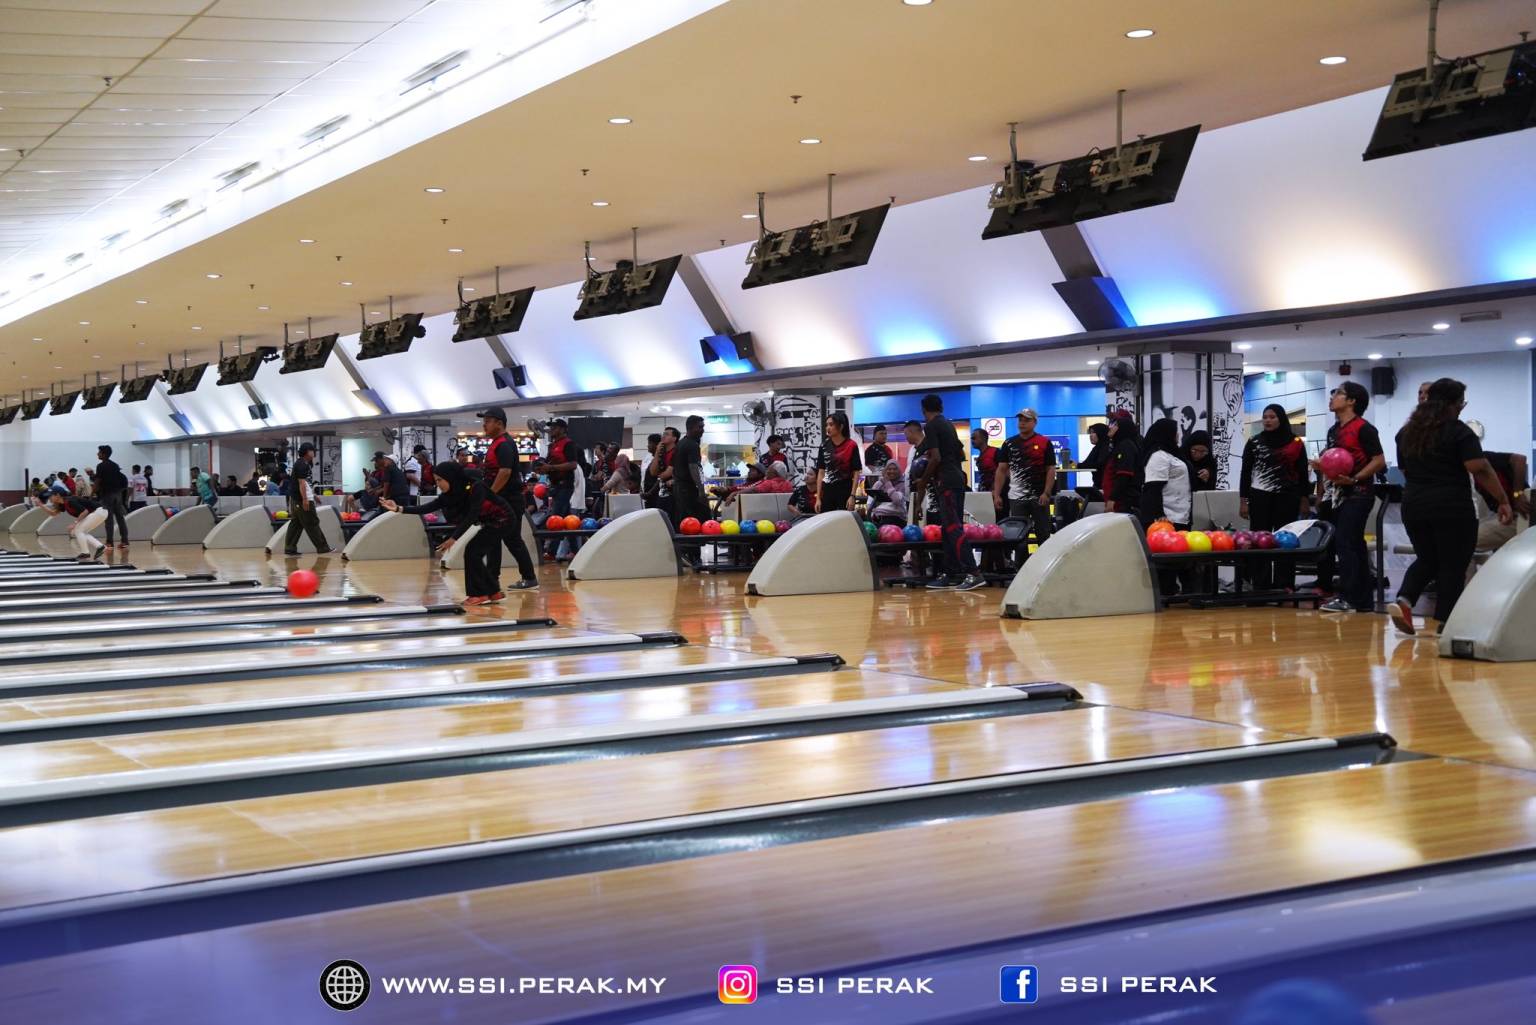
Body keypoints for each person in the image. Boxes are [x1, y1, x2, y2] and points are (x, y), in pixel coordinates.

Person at [1390, 378, 1512, 635]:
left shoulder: (1406, 433)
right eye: (1461, 403)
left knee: (1428, 559)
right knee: (1453, 565)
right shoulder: (1458, 431)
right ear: (1454, 404)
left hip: (1413, 505)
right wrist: (1503, 500)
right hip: (1451, 506)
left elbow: (1405, 470)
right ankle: (1446, 624)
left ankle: (1404, 600)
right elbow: (1479, 468)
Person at [383, 461, 518, 606]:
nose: (438, 484)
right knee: (473, 553)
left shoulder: (476, 487)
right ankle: (493, 592)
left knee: (473, 552)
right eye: (436, 481)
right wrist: (399, 508)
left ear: (450, 477)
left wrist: (454, 538)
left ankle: (479, 594)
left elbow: (472, 515)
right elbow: (426, 508)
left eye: (440, 480)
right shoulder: (451, 494)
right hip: (491, 522)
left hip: (504, 519)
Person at [1314, 381, 1386, 614]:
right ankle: (1362, 601)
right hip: (1337, 495)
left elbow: (1379, 461)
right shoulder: (1333, 431)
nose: (1332, 396)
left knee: (1346, 543)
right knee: (1352, 545)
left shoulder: (1364, 428)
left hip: (1359, 494)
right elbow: (1334, 461)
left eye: (1338, 393)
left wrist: (1355, 479)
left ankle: (1349, 598)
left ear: (1352, 401)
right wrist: (1322, 467)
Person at [915, 394, 984, 591]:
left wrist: (924, 479)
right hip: (956, 479)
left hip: (946, 481)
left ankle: (974, 573)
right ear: (942, 407)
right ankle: (951, 573)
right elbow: (960, 454)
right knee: (948, 528)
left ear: (923, 410)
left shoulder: (931, 426)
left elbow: (936, 458)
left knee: (953, 528)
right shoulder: (948, 425)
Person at [1239, 404, 1309, 591]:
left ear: (1281, 419)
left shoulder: (1296, 443)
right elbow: (1245, 473)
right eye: (1265, 417)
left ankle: (1284, 584)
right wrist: (1243, 501)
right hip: (1259, 497)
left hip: (1288, 498)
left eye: (1272, 417)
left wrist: (1304, 499)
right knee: (1260, 540)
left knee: (1285, 540)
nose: (1268, 420)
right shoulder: (1254, 442)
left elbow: (1303, 473)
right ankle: (1260, 584)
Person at [475, 406, 537, 590]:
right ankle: (492, 579)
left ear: (499, 423)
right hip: (501, 501)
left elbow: (505, 472)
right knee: (494, 540)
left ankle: (529, 578)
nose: (484, 425)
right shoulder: (497, 443)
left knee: (512, 540)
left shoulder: (504, 444)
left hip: (508, 500)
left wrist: (490, 495)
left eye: (487, 421)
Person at [994, 408, 1056, 544]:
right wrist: (997, 494)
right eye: (1020, 420)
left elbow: (1051, 469)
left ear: (1035, 422)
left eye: (1027, 420)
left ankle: (1044, 558)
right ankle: (1020, 559)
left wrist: (1046, 493)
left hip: (1039, 496)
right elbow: (1001, 469)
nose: (1022, 423)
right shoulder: (1009, 443)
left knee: (1043, 534)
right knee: (1018, 536)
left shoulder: (1044, 442)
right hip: (1016, 497)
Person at [282, 441, 334, 556]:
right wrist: (305, 499)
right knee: (312, 523)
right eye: (312, 450)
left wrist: (313, 495)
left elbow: (306, 483)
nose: (314, 452)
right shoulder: (302, 464)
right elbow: (301, 483)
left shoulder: (302, 463)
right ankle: (322, 547)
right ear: (307, 452)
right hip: (301, 499)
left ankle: (290, 548)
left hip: (297, 499)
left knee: (296, 524)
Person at [1476, 449, 1529, 551]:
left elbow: (1520, 459)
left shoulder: (1483, 459)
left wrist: (1517, 494)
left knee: (1468, 540)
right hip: (1505, 516)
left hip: (1521, 516)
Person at [812, 411, 862, 514]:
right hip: (828, 490)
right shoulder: (824, 446)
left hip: (845, 489)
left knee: (844, 520)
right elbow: (821, 472)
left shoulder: (852, 445)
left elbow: (856, 472)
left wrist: (852, 496)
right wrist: (818, 498)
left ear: (841, 426)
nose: (828, 428)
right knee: (827, 520)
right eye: (826, 425)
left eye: (831, 425)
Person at [43, 490, 107, 562]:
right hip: (100, 513)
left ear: (57, 495)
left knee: (78, 530)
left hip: (99, 511)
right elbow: (53, 513)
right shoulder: (63, 504)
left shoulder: (70, 500)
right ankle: (100, 547)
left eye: (51, 496)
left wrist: (75, 523)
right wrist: (40, 505)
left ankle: (86, 553)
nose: (49, 499)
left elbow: (85, 511)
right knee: (78, 532)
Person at [1101, 411, 1143, 514]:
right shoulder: (1118, 446)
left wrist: (1112, 499)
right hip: (1118, 502)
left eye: (1115, 424)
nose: (1110, 427)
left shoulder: (1126, 446)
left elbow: (1124, 475)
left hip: (1123, 503)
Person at [673, 415, 709, 525]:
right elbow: (694, 468)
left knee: (684, 520)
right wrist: (701, 490)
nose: (702, 430)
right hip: (689, 489)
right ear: (690, 427)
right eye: (700, 427)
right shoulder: (692, 445)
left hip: (679, 488)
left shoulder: (680, 443)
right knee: (699, 520)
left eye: (703, 427)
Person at [93, 445, 130, 550]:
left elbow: (98, 481)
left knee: (108, 519)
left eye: (99, 452)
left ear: (104, 454)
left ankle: (109, 542)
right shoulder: (115, 465)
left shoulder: (100, 466)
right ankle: (124, 540)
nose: (97, 454)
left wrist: (92, 493)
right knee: (120, 518)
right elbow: (121, 479)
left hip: (107, 494)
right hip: (117, 494)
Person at [867, 461, 909, 526]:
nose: (892, 471)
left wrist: (887, 483)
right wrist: (873, 514)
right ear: (885, 471)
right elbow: (870, 501)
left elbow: (897, 500)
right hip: (878, 517)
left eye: (895, 469)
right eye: (889, 469)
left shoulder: (902, 484)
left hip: (896, 517)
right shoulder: (880, 483)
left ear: (899, 471)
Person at [971, 427, 998, 494]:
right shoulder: (980, 456)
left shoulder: (995, 452)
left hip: (997, 492)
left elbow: (1004, 472)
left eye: (974, 438)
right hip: (985, 492)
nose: (972, 440)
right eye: (971, 438)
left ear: (983, 439)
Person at [641, 433, 664, 509]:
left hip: (655, 496)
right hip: (649, 495)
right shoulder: (650, 459)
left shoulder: (660, 459)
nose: (648, 446)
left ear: (657, 445)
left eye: (650, 443)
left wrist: (650, 493)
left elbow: (660, 478)